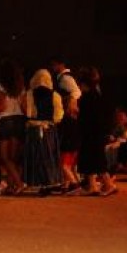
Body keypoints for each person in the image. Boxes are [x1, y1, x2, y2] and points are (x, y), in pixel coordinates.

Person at [75, 66, 116, 196]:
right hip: (98, 132)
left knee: (95, 159)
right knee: (94, 158)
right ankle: (93, 185)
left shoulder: (87, 98)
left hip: (91, 133)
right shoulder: (98, 95)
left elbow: (86, 118)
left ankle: (108, 185)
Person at [23, 69, 64, 195]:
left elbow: (28, 113)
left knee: (35, 155)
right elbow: (58, 116)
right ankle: (50, 181)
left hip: (34, 129)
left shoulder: (29, 94)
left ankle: (36, 181)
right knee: (48, 155)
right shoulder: (55, 95)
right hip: (49, 130)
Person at [0, 60, 27, 195]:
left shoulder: (0, 87)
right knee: (14, 158)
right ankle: (12, 185)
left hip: (6, 120)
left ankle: (19, 184)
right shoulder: (21, 87)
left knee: (5, 157)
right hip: (19, 120)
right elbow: (24, 107)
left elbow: (1, 107)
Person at [50, 57, 81, 193]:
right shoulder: (62, 78)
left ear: (61, 64)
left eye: (54, 64)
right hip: (70, 117)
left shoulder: (65, 79)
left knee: (65, 156)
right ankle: (67, 183)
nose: (53, 67)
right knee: (69, 157)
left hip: (69, 117)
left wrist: (71, 105)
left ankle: (73, 183)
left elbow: (76, 92)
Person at [106, 109, 127, 173]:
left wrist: (118, 140)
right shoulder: (117, 126)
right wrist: (112, 137)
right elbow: (112, 135)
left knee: (125, 145)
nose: (121, 118)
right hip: (120, 142)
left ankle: (126, 164)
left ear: (126, 117)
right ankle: (114, 165)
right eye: (119, 116)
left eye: (123, 116)